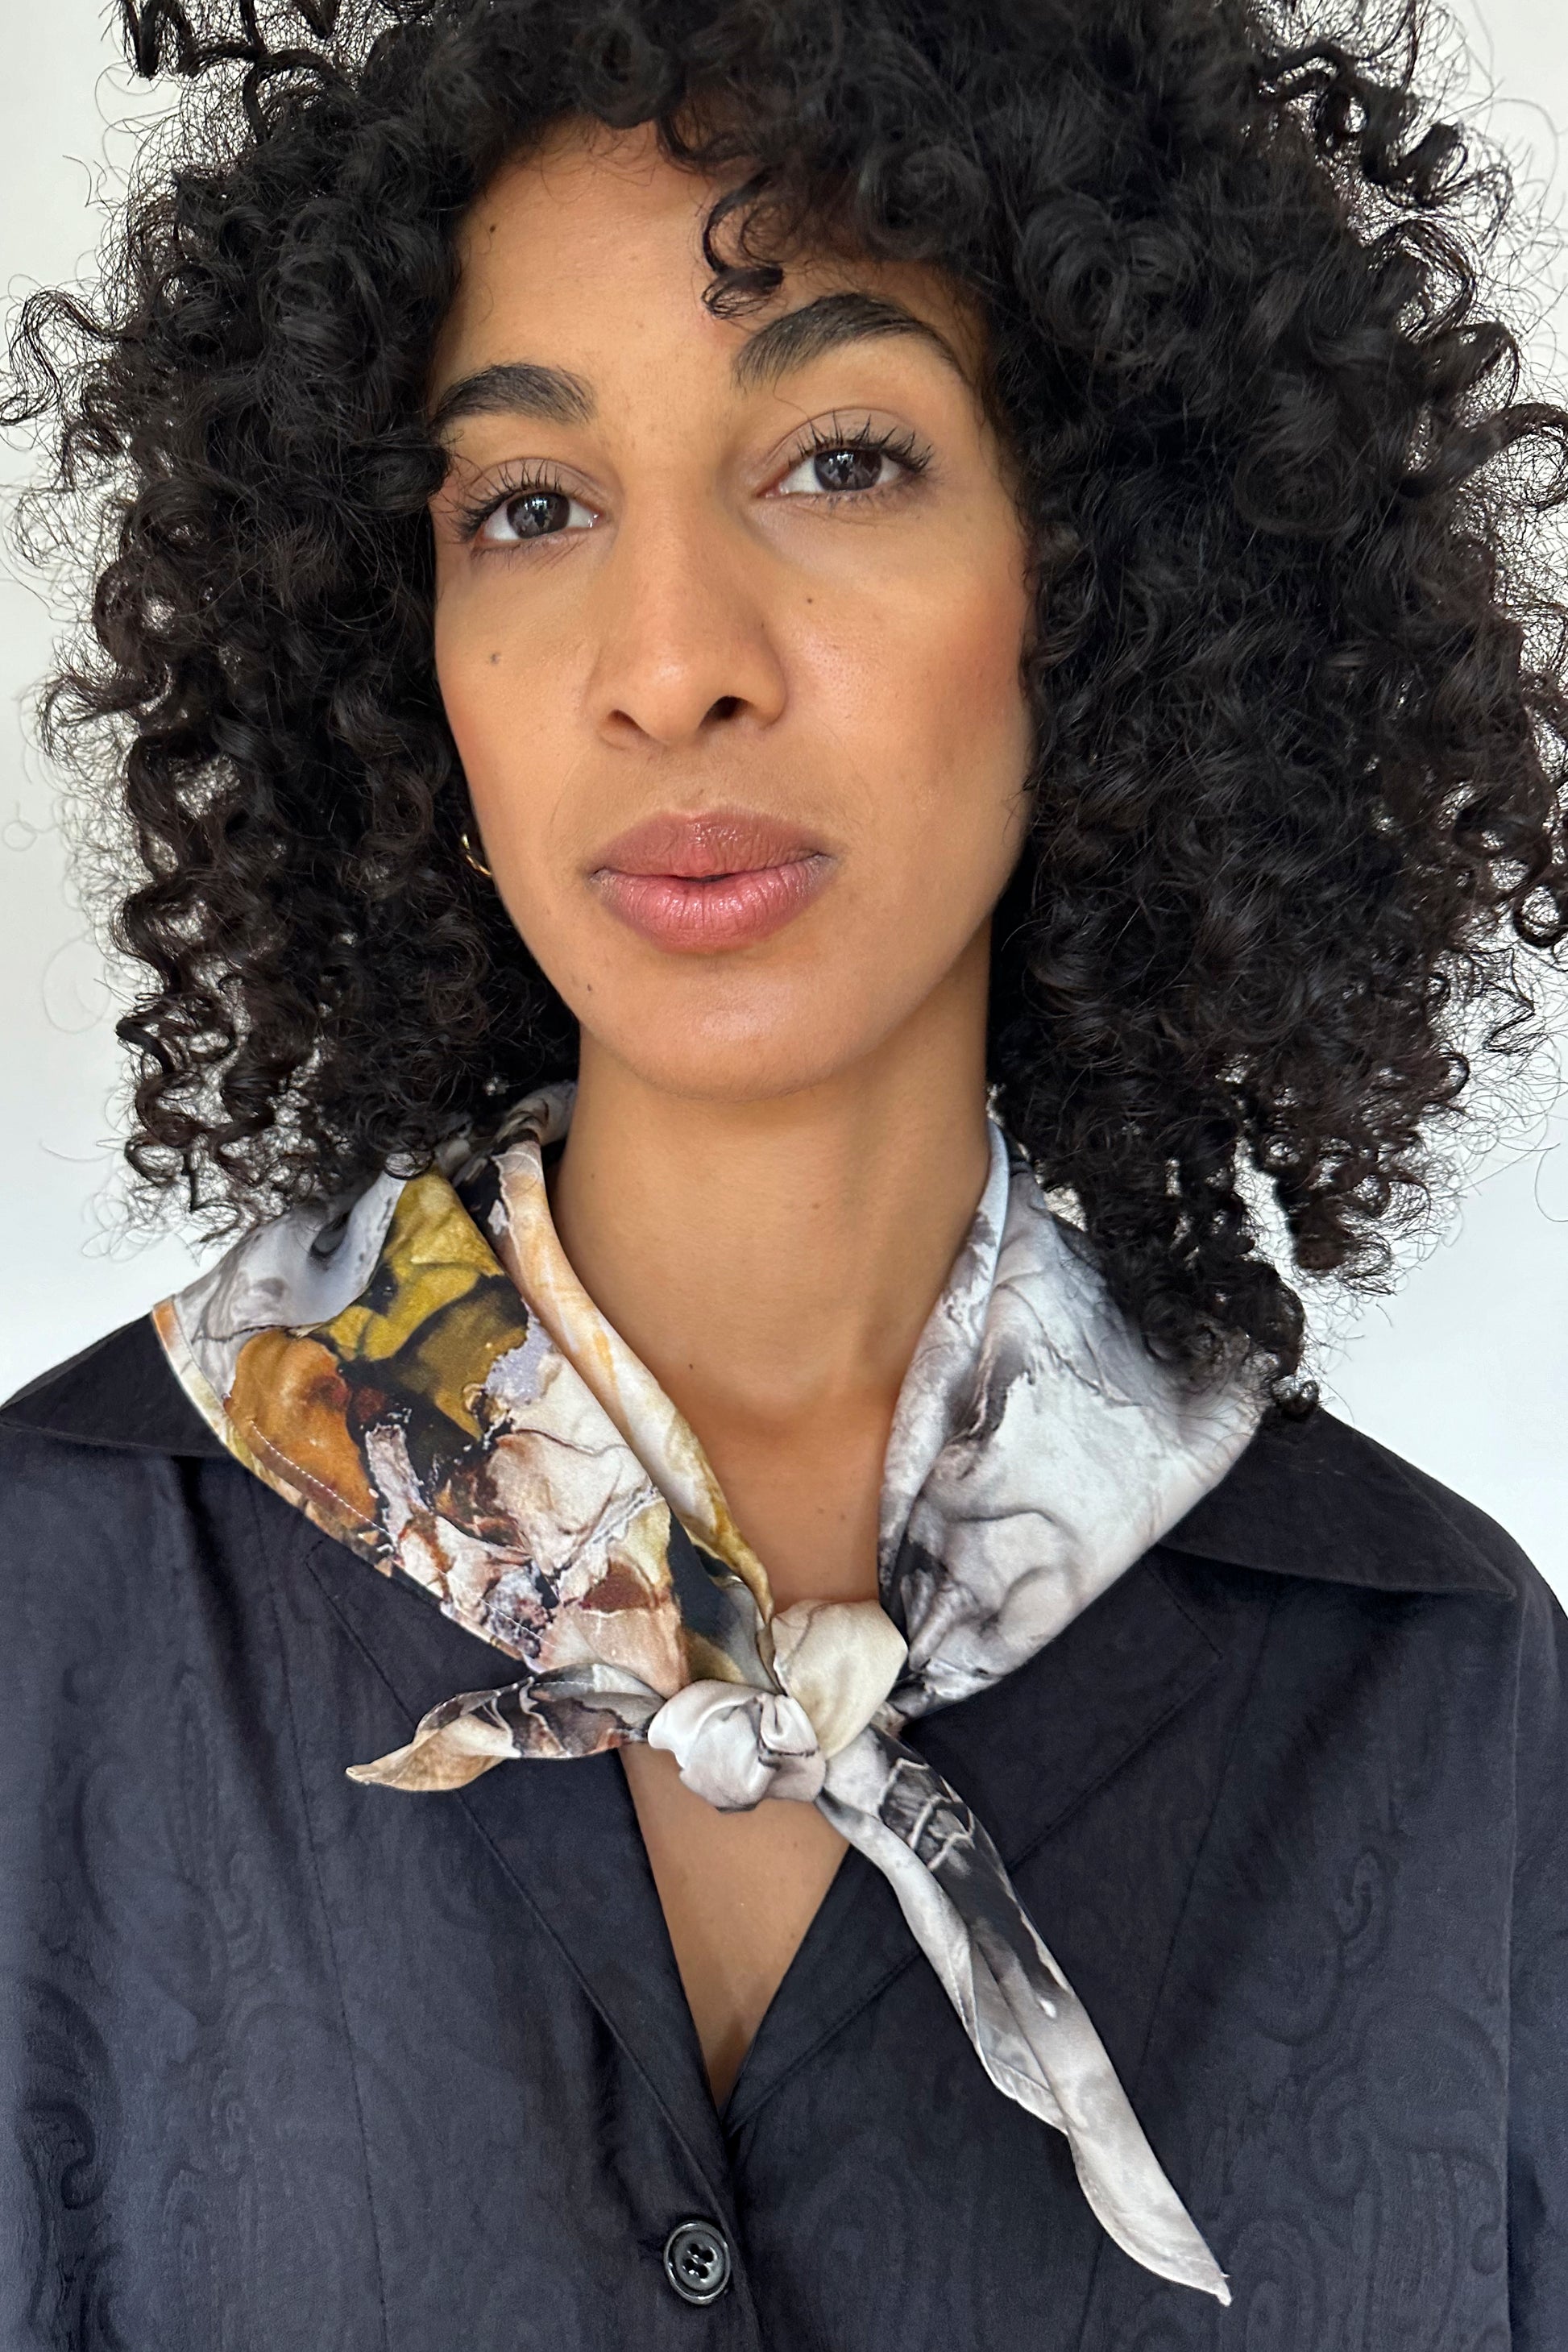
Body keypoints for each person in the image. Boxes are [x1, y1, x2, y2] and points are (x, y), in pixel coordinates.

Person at [2, 0, 1566, 2342]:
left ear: (1109, 594)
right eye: (526, 507)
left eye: (839, 459)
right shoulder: (59, 1614)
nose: (667, 664)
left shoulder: (1439, 1703)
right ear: (406, 657)